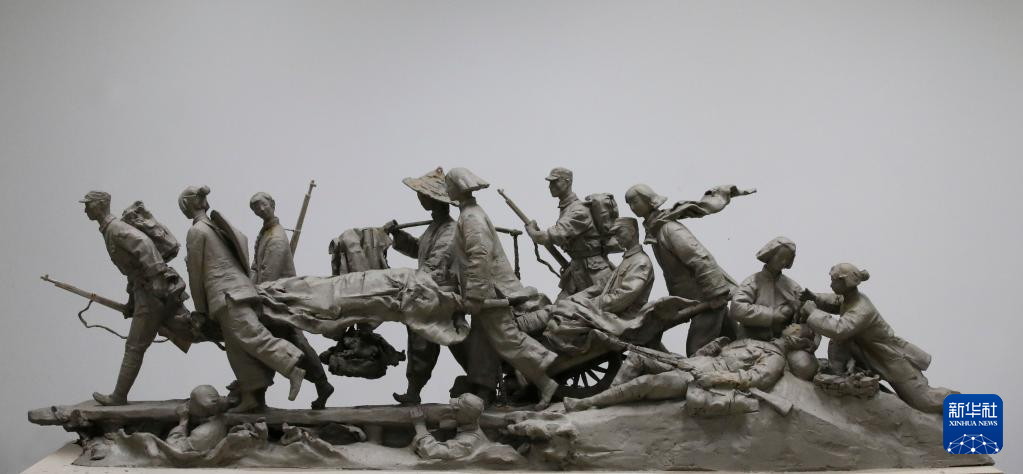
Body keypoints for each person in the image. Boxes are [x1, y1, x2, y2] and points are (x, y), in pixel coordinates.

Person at [181, 185, 306, 413]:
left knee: (252, 336)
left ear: (186, 206)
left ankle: (291, 366)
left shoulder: (197, 231)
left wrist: (200, 311)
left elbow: (195, 274)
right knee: (236, 350)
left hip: (228, 296)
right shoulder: (215, 225)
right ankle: (251, 397)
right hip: (232, 294)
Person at [445, 167, 561, 410]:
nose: (446, 190)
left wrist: (474, 295)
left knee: (507, 339)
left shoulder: (471, 217)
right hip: (486, 291)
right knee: (480, 343)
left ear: (457, 188)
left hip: (492, 292)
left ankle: (546, 381)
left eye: (449, 185)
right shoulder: (468, 214)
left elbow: (480, 256)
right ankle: (484, 390)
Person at [383, 168, 500, 405]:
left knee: (458, 341)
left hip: (443, 295)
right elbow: (421, 251)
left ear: (433, 199)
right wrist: (399, 236)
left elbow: (435, 266)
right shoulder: (434, 227)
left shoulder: (450, 230)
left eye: (422, 194)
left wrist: (404, 283)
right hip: (428, 292)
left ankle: (485, 386)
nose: (419, 198)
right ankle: (414, 390)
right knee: (422, 342)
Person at [81, 191, 191, 406]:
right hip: (145, 291)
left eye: (89, 204)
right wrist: (132, 302)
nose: (85, 209)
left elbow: (144, 245)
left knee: (135, 346)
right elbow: (133, 271)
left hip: (151, 293)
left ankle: (118, 397)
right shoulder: (109, 230)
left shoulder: (115, 229)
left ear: (101, 204)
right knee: (188, 330)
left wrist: (155, 280)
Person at [799, 263, 955, 413]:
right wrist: (814, 297)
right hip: (870, 356)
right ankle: (838, 374)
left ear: (845, 283)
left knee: (924, 400)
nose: (831, 284)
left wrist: (813, 313)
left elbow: (839, 329)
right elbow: (835, 301)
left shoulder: (862, 309)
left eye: (834, 281)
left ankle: (965, 410)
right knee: (840, 345)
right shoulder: (849, 298)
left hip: (891, 360)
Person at [563, 324, 814, 412]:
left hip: (702, 377)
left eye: (796, 328)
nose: (790, 326)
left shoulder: (774, 358)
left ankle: (587, 403)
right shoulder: (756, 341)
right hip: (693, 363)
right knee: (638, 356)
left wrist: (715, 377)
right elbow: (716, 354)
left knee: (646, 383)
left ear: (798, 341)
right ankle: (609, 399)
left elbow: (755, 379)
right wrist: (710, 348)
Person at [624, 183, 752, 355]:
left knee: (696, 351)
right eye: (629, 204)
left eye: (635, 201)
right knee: (736, 342)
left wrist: (716, 293)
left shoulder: (669, 229)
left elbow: (700, 258)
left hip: (706, 299)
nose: (632, 208)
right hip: (699, 299)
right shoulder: (656, 230)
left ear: (648, 200)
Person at [249, 192, 334, 409]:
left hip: (276, 299)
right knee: (279, 343)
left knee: (282, 342)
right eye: (256, 207)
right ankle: (321, 384)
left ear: (272, 204)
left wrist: (254, 295)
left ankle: (320, 383)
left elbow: (268, 276)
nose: (260, 209)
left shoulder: (276, 237)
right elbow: (256, 266)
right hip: (269, 297)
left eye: (263, 204)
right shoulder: (266, 233)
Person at [730, 236, 819, 379]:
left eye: (787, 259)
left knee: (805, 366)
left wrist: (800, 321)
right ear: (770, 254)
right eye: (780, 257)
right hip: (752, 342)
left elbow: (809, 317)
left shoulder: (792, 287)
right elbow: (737, 309)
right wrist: (772, 315)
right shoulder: (752, 282)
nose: (783, 262)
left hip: (783, 345)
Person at [525, 167, 613, 299]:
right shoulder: (567, 208)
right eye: (550, 183)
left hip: (594, 275)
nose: (550, 186)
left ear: (567, 182)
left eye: (555, 182)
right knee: (557, 309)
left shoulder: (579, 211)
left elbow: (544, 238)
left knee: (568, 309)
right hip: (576, 272)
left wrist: (531, 230)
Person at [409, 394, 488, 460]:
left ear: (467, 417)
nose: (451, 412)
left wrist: (420, 425)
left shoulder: (468, 443)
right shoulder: (465, 425)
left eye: (456, 411)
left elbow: (430, 451)